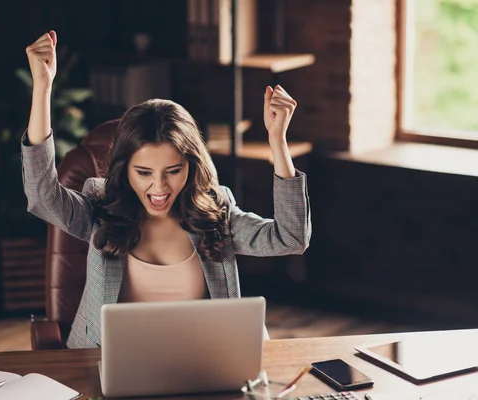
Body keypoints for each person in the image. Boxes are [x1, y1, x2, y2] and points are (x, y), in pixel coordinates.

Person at [21, 30, 311, 349]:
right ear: (123, 168)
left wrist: (277, 142)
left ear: (191, 166)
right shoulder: (99, 206)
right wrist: (43, 89)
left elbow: (292, 237)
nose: (159, 187)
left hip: (201, 364)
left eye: (173, 171)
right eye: (143, 172)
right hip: (104, 364)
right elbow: (42, 197)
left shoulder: (217, 212)